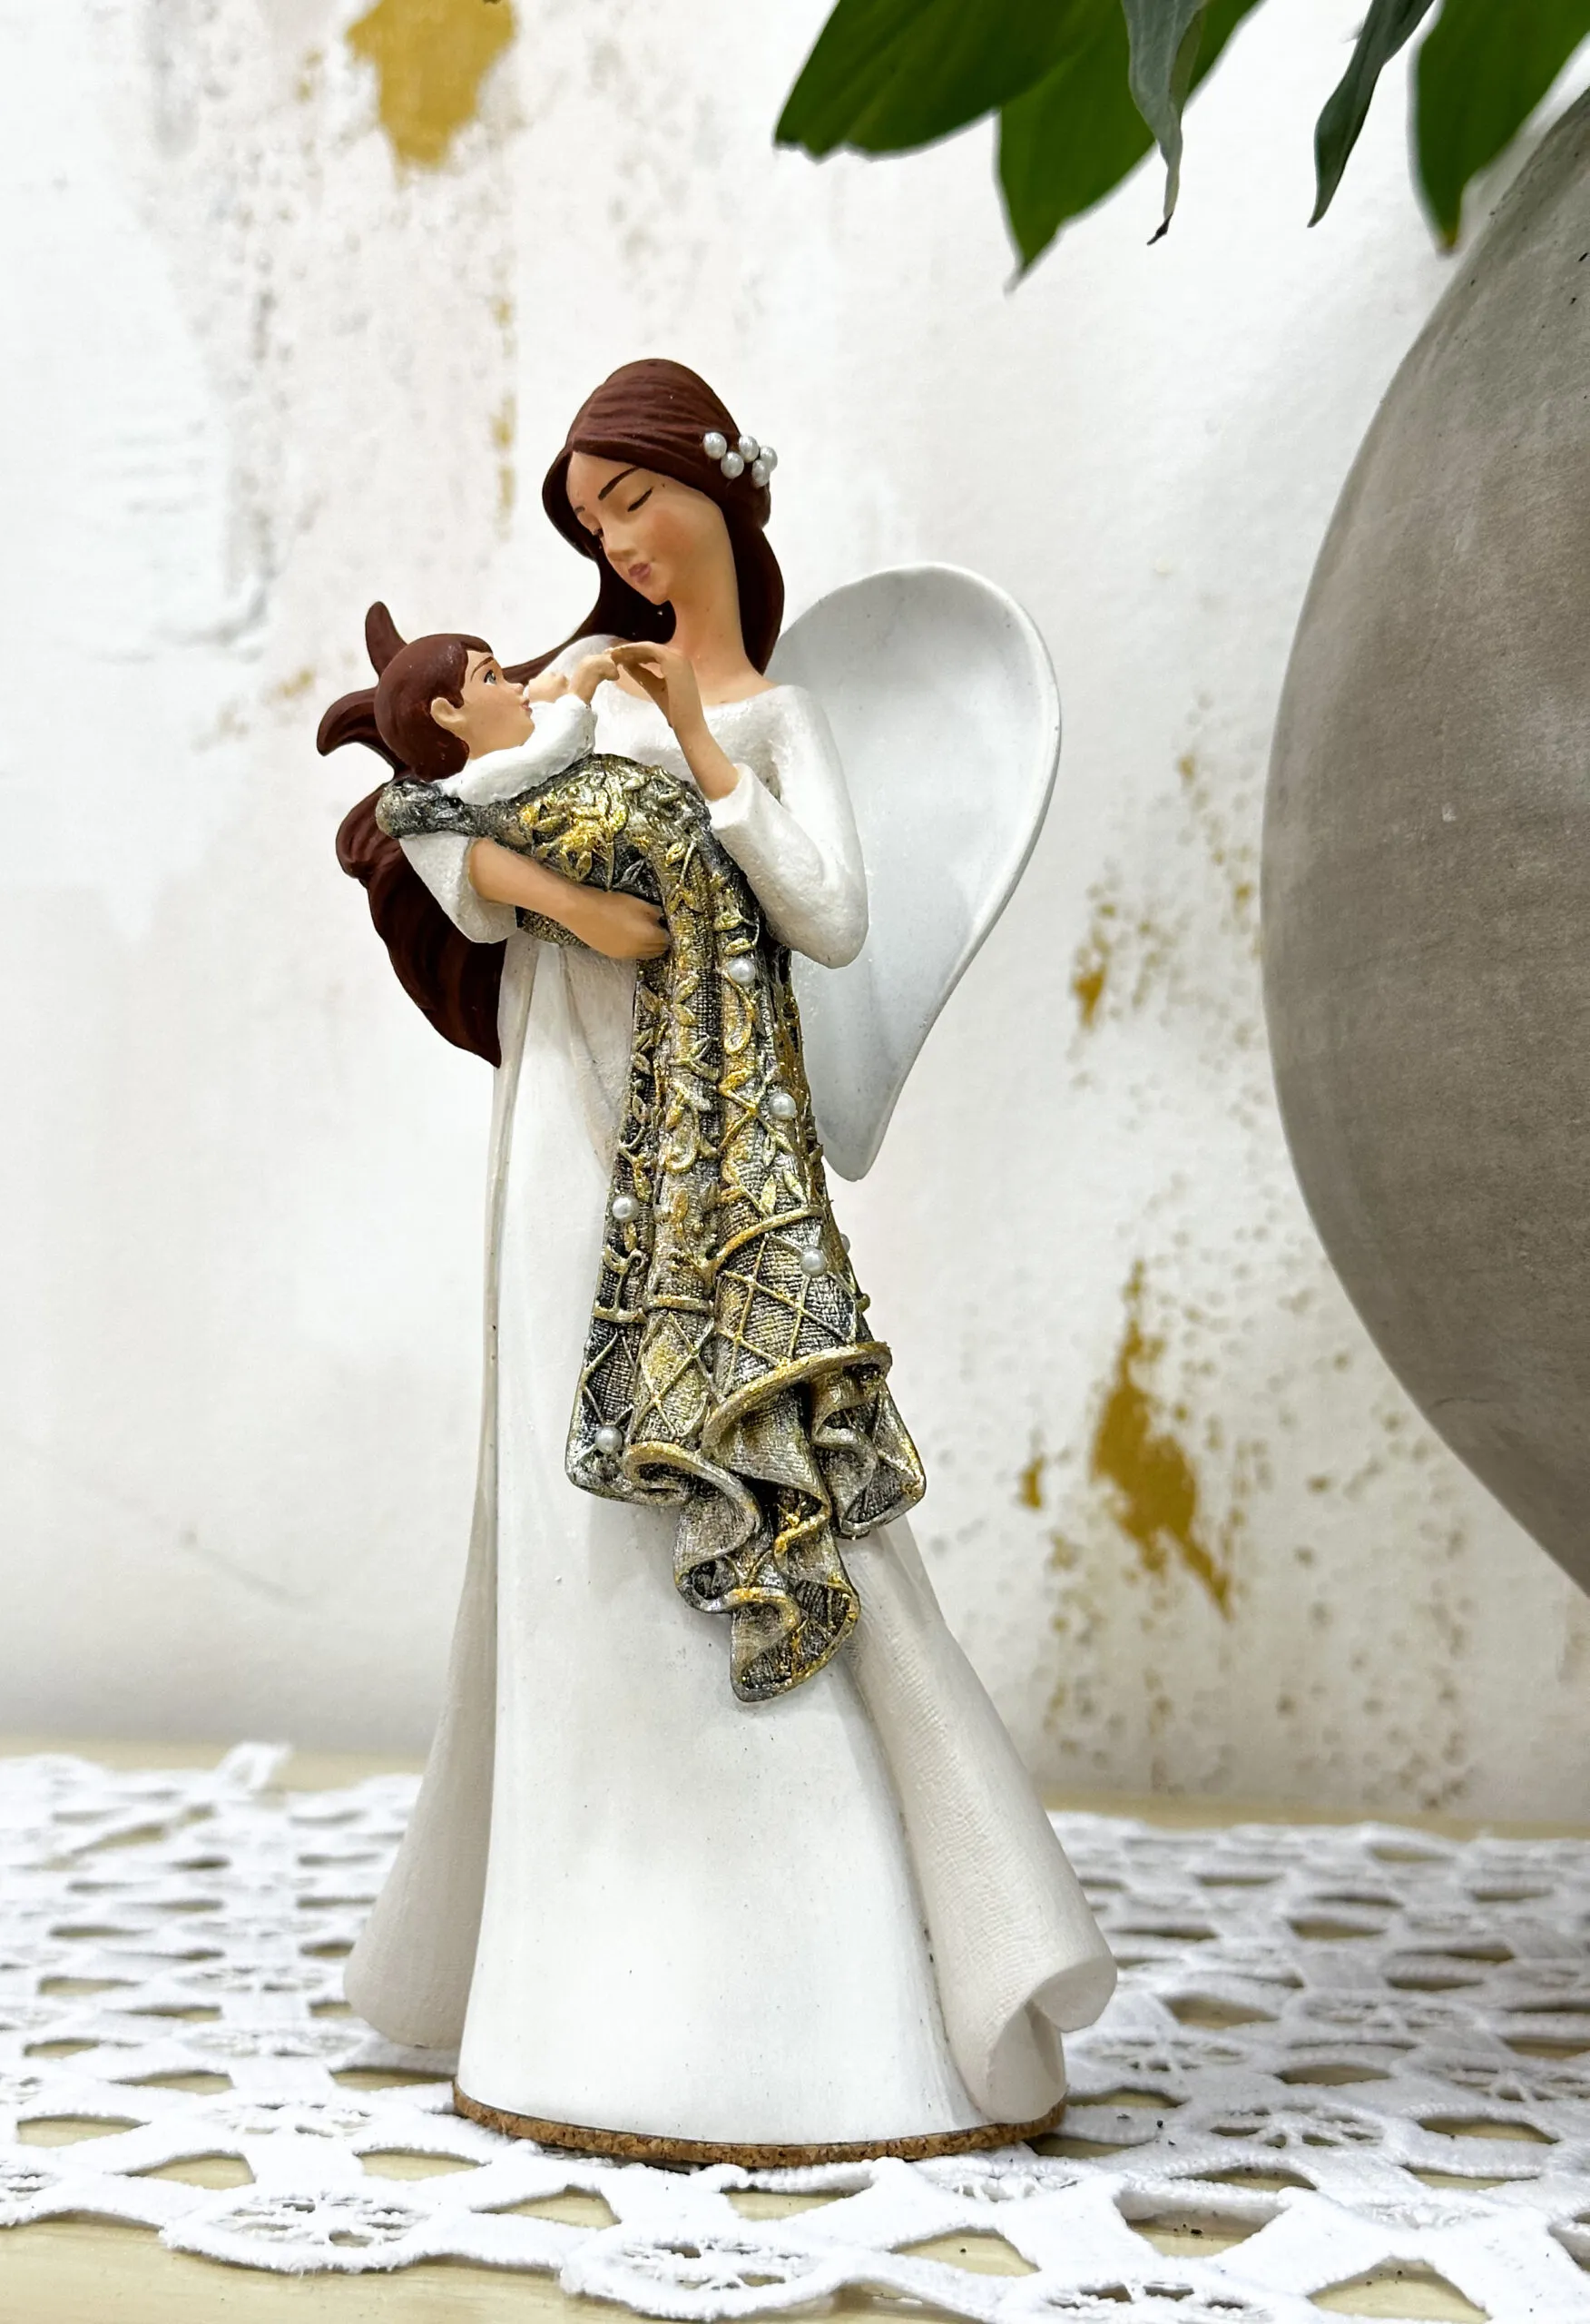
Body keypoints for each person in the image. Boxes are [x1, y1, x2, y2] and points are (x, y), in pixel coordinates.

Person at [322, 359, 1114, 2166]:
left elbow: (827, 911)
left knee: (748, 1482)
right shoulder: (559, 685)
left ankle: (815, 2021)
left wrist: (697, 738)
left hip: (723, 1162)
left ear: (712, 490)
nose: (616, 542)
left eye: (631, 499)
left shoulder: (774, 715)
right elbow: (429, 823)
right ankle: (575, 1987)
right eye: (589, 519)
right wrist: (528, 876)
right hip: (567, 1136)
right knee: (582, 1513)